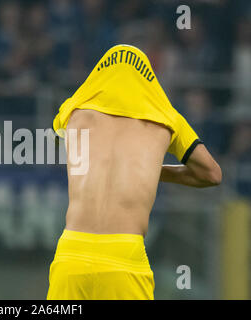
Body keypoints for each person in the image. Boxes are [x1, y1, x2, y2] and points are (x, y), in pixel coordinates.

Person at [48, 44, 222, 300]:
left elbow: (56, 138)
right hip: (124, 258)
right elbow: (212, 174)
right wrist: (150, 170)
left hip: (70, 254)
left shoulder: (73, 112)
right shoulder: (166, 120)